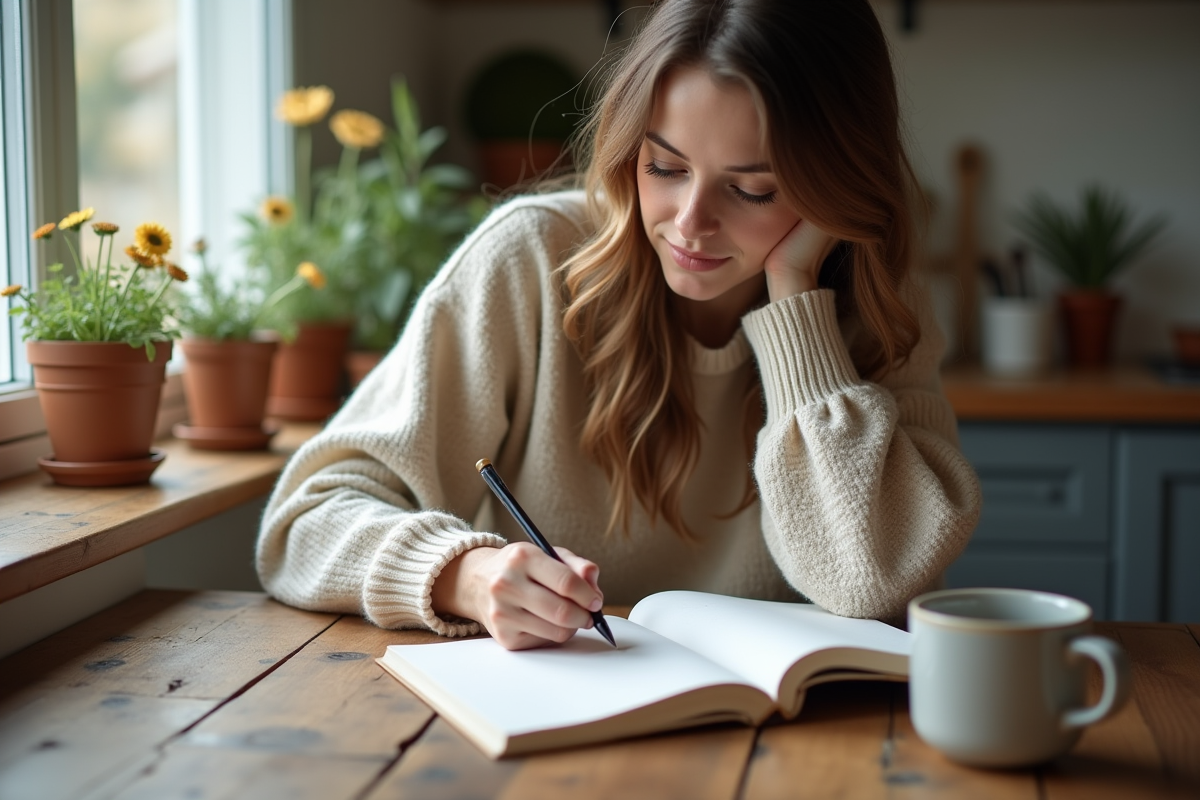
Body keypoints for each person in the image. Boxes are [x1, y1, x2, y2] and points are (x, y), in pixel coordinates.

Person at [256, 0, 982, 650]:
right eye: (663, 167)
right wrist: (466, 576)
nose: (691, 224)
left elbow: (875, 580)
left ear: (837, 184)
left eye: (752, 188)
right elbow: (303, 525)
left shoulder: (881, 305)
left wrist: (797, 305)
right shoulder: (530, 261)